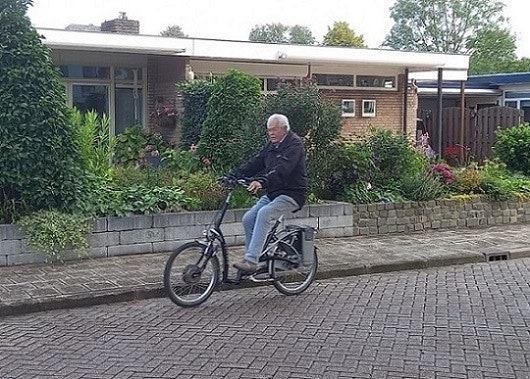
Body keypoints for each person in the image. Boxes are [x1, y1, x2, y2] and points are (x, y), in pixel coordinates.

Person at [229, 113, 307, 274]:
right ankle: (256, 256)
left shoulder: (294, 145)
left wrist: (262, 182)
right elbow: (255, 162)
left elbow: (282, 171)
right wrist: (233, 175)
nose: (271, 133)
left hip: (292, 194)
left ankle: (251, 261)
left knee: (264, 214)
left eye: (274, 129)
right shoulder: (271, 146)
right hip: (274, 193)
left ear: (285, 129)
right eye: (269, 130)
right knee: (248, 219)